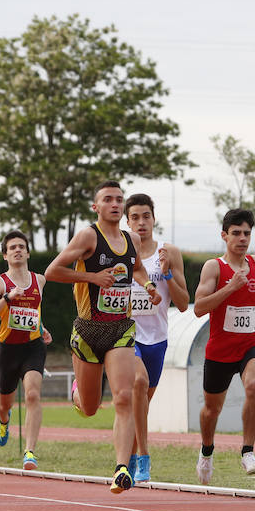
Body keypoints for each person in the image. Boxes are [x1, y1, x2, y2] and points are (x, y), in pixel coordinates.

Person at [44, 180, 160, 494]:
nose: (115, 204)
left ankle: (122, 468)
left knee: (124, 396)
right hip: (88, 329)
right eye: (108, 199)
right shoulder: (87, 236)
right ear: (96, 207)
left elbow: (136, 269)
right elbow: (53, 271)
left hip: (121, 329)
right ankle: (77, 392)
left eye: (119, 199)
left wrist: (148, 286)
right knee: (91, 407)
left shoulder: (131, 238)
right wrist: (91, 277)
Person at [193, 209, 255, 483]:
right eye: (236, 233)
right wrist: (229, 288)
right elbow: (199, 308)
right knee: (211, 410)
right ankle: (206, 451)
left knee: (253, 386)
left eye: (247, 233)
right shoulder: (214, 267)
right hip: (220, 349)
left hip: (251, 341)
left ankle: (248, 451)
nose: (242, 238)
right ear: (224, 236)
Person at [124, 193, 189, 483]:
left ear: (153, 219)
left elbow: (184, 302)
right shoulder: (120, 252)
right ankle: (144, 457)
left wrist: (166, 275)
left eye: (145, 216)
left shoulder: (169, 252)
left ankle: (126, 458)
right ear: (127, 222)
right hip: (127, 336)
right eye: (135, 217)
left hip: (158, 339)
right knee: (138, 384)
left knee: (142, 404)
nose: (141, 222)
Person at [0, 230, 53, 471]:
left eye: (22, 246)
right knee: (4, 403)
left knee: (32, 395)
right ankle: (3, 420)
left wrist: (42, 328)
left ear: (28, 252)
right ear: (5, 255)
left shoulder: (39, 280)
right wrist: (8, 298)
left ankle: (29, 452)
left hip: (33, 347)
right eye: (12, 248)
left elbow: (34, 312)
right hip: (8, 349)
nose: (18, 250)